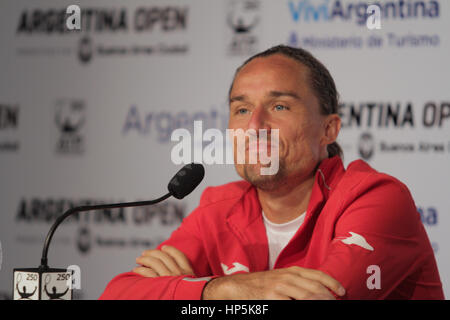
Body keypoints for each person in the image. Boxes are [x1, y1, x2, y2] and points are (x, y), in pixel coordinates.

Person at [99, 45, 444, 300]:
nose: (255, 126)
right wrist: (226, 288)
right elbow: (118, 294)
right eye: (242, 109)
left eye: (279, 106)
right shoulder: (219, 207)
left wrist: (188, 292)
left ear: (328, 130)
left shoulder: (376, 198)